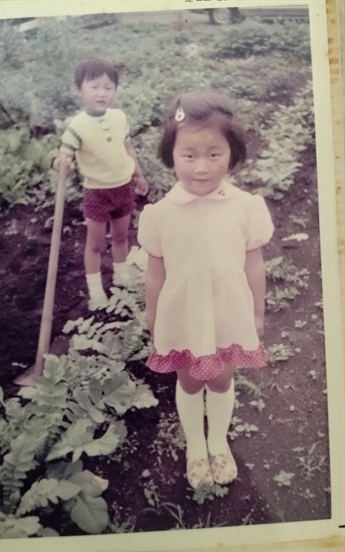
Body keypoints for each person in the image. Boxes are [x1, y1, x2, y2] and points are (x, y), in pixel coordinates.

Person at [138, 90, 274, 490]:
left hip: (227, 312)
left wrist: (257, 312)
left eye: (214, 154)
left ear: (232, 154)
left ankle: (218, 441)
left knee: (220, 379)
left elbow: (253, 264)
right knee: (190, 380)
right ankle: (196, 446)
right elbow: (155, 274)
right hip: (183, 316)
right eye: (189, 155)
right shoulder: (161, 215)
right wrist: (153, 316)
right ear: (171, 155)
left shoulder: (244, 207)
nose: (202, 167)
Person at [53, 57, 148, 311]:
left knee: (121, 236)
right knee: (94, 244)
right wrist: (62, 162)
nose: (101, 93)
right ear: (79, 90)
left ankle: (122, 276)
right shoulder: (76, 126)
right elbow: (63, 156)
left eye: (108, 87)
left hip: (123, 187)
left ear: (115, 90)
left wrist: (138, 174)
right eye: (94, 87)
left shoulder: (119, 117)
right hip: (97, 192)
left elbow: (128, 147)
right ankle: (96, 291)